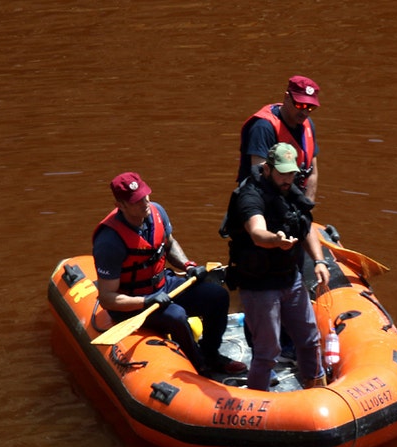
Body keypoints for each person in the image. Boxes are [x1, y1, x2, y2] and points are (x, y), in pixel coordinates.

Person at [93, 171, 246, 376]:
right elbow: (108, 298)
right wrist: (146, 301)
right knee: (176, 315)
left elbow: (169, 243)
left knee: (218, 296)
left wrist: (188, 265)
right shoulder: (109, 242)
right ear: (120, 205)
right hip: (134, 303)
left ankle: (211, 354)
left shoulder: (156, 212)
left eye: (145, 195)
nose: (145, 202)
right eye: (137, 201)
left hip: (163, 285)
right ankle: (199, 364)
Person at [224, 144, 330, 391]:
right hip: (260, 285)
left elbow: (306, 227)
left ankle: (317, 389)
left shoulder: (289, 191)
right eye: (282, 173)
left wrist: (319, 260)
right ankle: (258, 400)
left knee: (310, 339)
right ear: (268, 169)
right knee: (268, 351)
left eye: (291, 173)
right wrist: (276, 241)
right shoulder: (250, 195)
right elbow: (257, 232)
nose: (287, 179)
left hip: (290, 280)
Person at [237, 75, 320, 202]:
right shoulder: (263, 127)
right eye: (300, 105)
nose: (305, 112)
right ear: (287, 97)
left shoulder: (308, 125)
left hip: (292, 202)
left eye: (310, 107)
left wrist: (307, 210)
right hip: (261, 203)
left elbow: (312, 173)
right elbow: (260, 177)